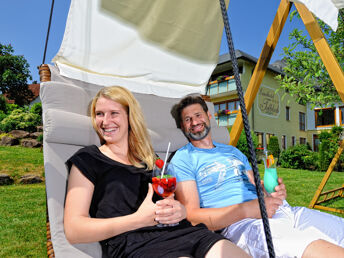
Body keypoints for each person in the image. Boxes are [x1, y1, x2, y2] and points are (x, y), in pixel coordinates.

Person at [64, 86, 251, 258]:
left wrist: (180, 210)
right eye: (99, 114)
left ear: (130, 117)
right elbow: (74, 229)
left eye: (114, 113)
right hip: (136, 244)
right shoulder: (88, 159)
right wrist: (137, 220)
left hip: (184, 232)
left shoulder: (148, 159)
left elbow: (170, 203)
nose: (105, 121)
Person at [170, 95, 344, 258]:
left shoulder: (233, 152)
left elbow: (255, 184)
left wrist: (272, 192)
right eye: (187, 119)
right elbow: (192, 216)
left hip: (285, 210)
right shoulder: (183, 158)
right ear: (182, 126)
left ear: (209, 116)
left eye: (198, 115)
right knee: (311, 248)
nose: (194, 122)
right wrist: (247, 209)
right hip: (243, 224)